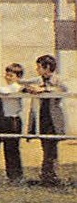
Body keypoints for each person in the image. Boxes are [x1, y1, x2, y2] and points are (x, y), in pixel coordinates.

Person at [24, 54, 65, 186]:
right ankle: (47, 175)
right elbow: (25, 84)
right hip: (41, 117)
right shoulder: (37, 80)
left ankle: (51, 176)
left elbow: (63, 89)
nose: (37, 70)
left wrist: (45, 90)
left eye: (39, 67)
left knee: (51, 147)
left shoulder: (58, 80)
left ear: (47, 67)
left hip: (52, 119)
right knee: (45, 146)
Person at [0, 62, 26, 181]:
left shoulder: (16, 87)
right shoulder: (8, 87)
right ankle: (12, 175)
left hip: (13, 119)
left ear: (18, 77)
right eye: (7, 75)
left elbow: (5, 91)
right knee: (7, 148)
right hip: (5, 118)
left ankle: (16, 176)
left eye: (11, 75)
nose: (7, 77)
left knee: (12, 148)